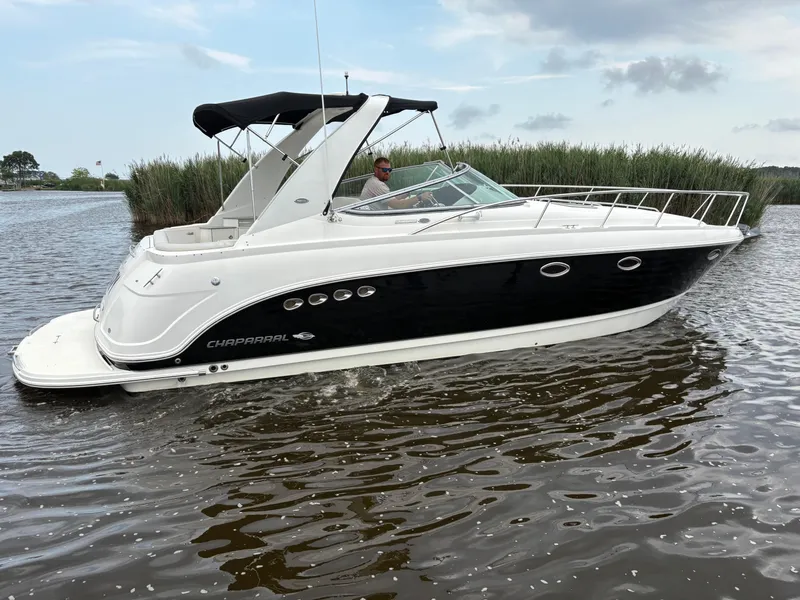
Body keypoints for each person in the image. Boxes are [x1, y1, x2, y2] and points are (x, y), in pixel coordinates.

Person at [360, 157, 434, 209]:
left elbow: (391, 198)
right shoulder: (377, 184)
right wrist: (420, 197)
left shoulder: (373, 181)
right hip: (376, 220)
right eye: (385, 170)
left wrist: (408, 193)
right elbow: (399, 205)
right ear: (376, 169)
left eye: (389, 170)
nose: (388, 172)